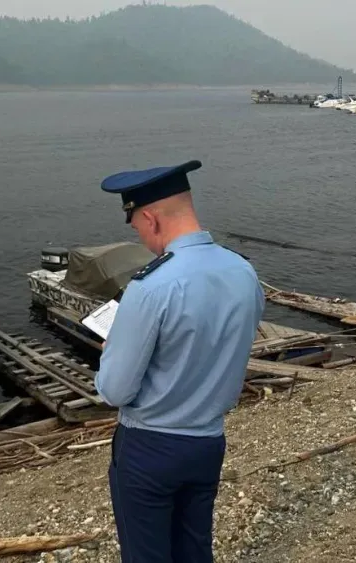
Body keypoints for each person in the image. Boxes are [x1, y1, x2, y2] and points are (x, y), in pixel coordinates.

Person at [94, 159, 265, 563]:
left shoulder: (151, 286)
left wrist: (111, 354)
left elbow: (115, 390)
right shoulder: (243, 271)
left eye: (135, 225)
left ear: (150, 218)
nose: (139, 235)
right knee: (194, 548)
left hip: (150, 445)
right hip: (208, 440)